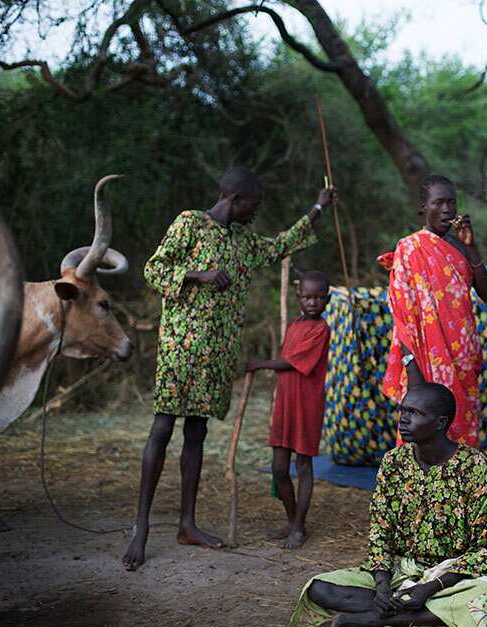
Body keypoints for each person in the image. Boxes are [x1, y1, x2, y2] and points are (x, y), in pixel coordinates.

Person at [121, 166, 336, 571]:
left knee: (197, 433)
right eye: (253, 206)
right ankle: (141, 526)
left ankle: (188, 523)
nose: (255, 213)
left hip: (216, 357)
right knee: (163, 428)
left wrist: (317, 209)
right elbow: (154, 269)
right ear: (235, 199)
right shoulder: (190, 224)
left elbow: (278, 247)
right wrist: (198, 275)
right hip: (181, 350)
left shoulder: (241, 240)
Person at [289, 382, 487, 627]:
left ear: (440, 422)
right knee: (320, 589)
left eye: (415, 413)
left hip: (456, 575)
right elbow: (380, 531)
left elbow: (484, 548)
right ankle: (410, 609)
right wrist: (383, 584)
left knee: (479, 597)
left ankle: (377, 618)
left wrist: (430, 587)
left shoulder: (474, 466)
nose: (404, 419)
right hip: (404, 570)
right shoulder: (393, 462)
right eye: (403, 410)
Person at [380, 175, 487, 449]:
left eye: (451, 202)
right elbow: (402, 315)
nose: (447, 209)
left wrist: (471, 246)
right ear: (423, 206)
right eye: (439, 202)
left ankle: (458, 491)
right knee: (422, 430)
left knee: (460, 426)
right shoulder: (409, 248)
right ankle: (420, 492)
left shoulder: (459, 246)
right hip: (426, 358)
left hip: (462, 356)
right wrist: (412, 368)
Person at [247, 270, 331, 550]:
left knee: (303, 465)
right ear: (299, 298)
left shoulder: (321, 329)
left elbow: (291, 363)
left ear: (327, 300)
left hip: (307, 405)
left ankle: (299, 527)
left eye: (319, 298)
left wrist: (260, 363)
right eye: (308, 297)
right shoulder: (295, 325)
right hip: (285, 403)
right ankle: (291, 519)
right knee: (279, 467)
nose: (313, 303)